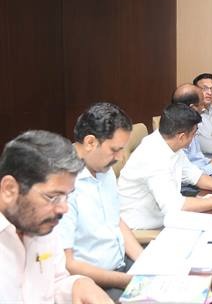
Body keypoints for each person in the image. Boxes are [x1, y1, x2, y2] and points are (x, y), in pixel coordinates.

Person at [0, 130, 111, 303]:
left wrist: (78, 284)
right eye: (52, 197)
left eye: (67, 196)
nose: (64, 208)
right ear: (9, 189)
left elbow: (55, 282)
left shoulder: (41, 223)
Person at [55, 103, 144, 301]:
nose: (119, 157)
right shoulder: (63, 186)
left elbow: (116, 220)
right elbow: (67, 263)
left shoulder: (104, 169)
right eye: (114, 150)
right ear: (90, 142)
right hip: (95, 282)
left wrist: (145, 262)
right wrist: (128, 280)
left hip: (122, 266)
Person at [119, 103, 212, 230]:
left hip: (164, 216)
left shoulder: (169, 143)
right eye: (193, 134)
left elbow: (194, 175)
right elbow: (175, 206)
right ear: (182, 137)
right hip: (144, 226)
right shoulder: (153, 157)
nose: (194, 139)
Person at [172, 83, 212, 175]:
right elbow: (183, 175)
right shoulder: (175, 131)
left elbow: (196, 157)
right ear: (192, 108)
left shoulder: (190, 125)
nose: (203, 108)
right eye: (202, 104)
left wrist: (210, 162)